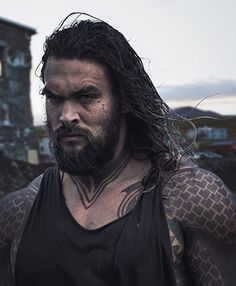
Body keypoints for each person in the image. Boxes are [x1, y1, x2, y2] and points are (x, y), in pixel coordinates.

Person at [0, 13, 236, 286]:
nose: (66, 115)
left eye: (86, 96)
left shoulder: (194, 199)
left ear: (124, 100)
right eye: (54, 98)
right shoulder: (18, 211)